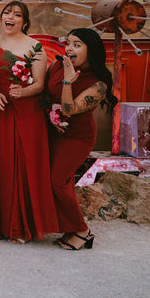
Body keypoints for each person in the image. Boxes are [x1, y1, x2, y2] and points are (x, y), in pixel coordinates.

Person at [0, 1, 58, 243]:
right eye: (7, 13)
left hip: (28, 112)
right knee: (4, 163)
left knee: (26, 165)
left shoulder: (36, 47)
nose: (11, 17)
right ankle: (3, 224)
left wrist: (22, 92)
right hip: (3, 111)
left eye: (17, 15)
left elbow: (39, 84)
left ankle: (23, 226)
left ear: (25, 22)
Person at [47, 28, 116, 250]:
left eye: (77, 45)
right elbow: (46, 94)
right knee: (58, 181)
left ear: (91, 50)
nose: (69, 49)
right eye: (68, 43)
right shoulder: (58, 64)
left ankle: (83, 231)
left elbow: (69, 108)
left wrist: (68, 81)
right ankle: (67, 227)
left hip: (77, 137)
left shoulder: (99, 83)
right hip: (52, 130)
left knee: (58, 179)